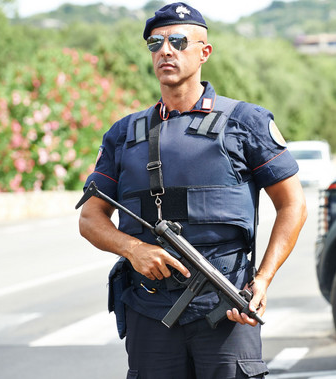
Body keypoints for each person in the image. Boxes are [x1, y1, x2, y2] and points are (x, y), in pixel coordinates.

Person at [78, 2, 307, 378]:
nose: (165, 50)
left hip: (225, 308)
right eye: (156, 43)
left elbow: (293, 205)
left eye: (178, 41)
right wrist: (133, 249)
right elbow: (90, 217)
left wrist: (262, 280)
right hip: (150, 311)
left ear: (204, 52)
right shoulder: (124, 134)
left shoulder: (245, 122)